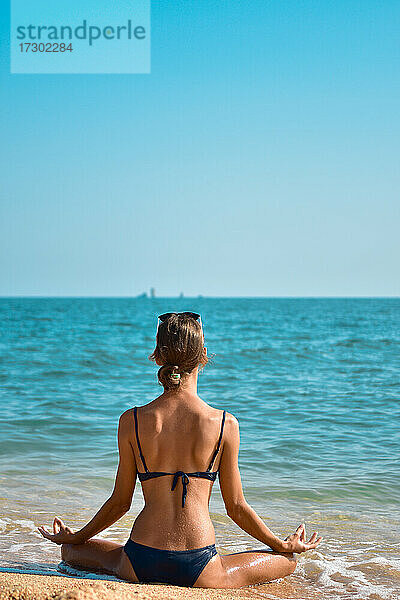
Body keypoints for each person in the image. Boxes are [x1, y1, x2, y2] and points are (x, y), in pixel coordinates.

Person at [38, 312, 322, 588]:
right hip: (200, 567)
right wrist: (282, 544)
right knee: (288, 561)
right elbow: (236, 507)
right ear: (203, 355)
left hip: (139, 561)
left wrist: (76, 537)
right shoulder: (225, 424)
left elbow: (120, 502)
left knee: (71, 552)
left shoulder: (132, 420)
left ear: (158, 356)